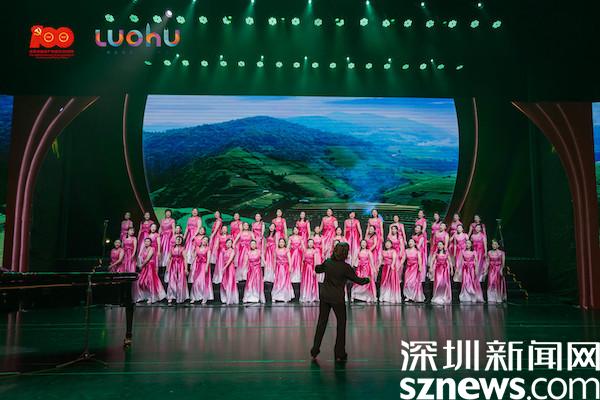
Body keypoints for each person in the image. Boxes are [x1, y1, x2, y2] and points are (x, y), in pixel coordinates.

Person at [310, 242, 370, 362]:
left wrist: (321, 263)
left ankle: (315, 350)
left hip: (325, 296)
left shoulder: (328, 263)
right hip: (337, 299)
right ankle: (339, 353)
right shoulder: (346, 267)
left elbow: (317, 269)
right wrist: (367, 279)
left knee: (321, 323)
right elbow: (358, 280)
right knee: (341, 324)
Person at [135, 238, 166, 304]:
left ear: (151, 243)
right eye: (145, 241)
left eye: (148, 241)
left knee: (149, 281)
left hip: (149, 267)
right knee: (141, 282)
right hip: (144, 266)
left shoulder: (152, 249)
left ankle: (152, 297)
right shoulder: (143, 249)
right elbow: (141, 258)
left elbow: (147, 259)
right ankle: (143, 296)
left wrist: (142, 265)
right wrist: (139, 264)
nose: (146, 242)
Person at [166, 235, 189, 305]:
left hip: (180, 265)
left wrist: (186, 268)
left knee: (180, 280)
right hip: (173, 265)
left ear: (181, 241)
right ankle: (171, 296)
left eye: (180, 239)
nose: (178, 240)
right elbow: (169, 258)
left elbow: (185, 259)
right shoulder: (172, 248)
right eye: (177, 239)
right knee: (172, 280)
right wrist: (167, 267)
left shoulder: (183, 249)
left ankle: (180, 296)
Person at [189, 236, 213, 304]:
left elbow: (208, 259)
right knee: (196, 282)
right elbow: (194, 257)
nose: (205, 241)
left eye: (206, 240)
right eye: (204, 239)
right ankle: (194, 297)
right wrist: (191, 264)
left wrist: (206, 267)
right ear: (201, 240)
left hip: (204, 266)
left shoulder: (208, 249)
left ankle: (204, 297)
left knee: (203, 282)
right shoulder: (197, 248)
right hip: (197, 266)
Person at [271, 238, 294, 302]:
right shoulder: (276, 250)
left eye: (282, 242)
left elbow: (289, 259)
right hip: (278, 268)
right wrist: (274, 268)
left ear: (284, 243)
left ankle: (284, 296)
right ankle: (276, 296)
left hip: (285, 268)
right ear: (278, 243)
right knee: (278, 281)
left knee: (284, 281)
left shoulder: (287, 250)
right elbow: (274, 260)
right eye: (280, 242)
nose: (281, 243)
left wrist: (290, 267)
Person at [486, 239, 507, 303]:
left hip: (498, 269)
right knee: (491, 282)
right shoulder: (489, 252)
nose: (494, 245)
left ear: (498, 245)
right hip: (491, 269)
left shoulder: (501, 253)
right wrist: (486, 269)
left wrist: (501, 269)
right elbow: (487, 262)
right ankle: (491, 297)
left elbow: (503, 263)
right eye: (493, 244)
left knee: (497, 283)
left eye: (495, 244)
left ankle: (498, 297)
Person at [220, 239, 238, 305]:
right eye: (227, 242)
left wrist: (225, 267)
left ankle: (230, 298)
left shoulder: (232, 251)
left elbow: (230, 260)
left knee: (230, 282)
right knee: (224, 282)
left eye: (230, 242)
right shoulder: (225, 251)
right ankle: (225, 298)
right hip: (225, 268)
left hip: (230, 268)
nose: (228, 244)